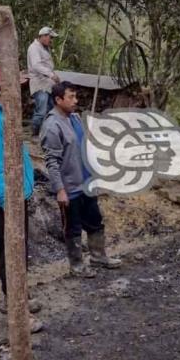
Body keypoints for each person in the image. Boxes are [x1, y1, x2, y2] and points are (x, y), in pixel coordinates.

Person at [0, 67, 44, 332]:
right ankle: (17, 312)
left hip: (15, 197)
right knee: (11, 254)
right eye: (16, 86)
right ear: (2, 88)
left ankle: (17, 298)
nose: (22, 92)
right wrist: (7, 201)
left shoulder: (3, 116)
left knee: (17, 252)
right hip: (6, 201)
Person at [40, 81, 122, 276]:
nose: (75, 101)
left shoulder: (75, 118)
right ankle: (76, 265)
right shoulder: (52, 126)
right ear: (58, 100)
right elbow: (51, 161)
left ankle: (98, 256)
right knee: (73, 228)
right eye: (71, 97)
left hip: (86, 183)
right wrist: (60, 189)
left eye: (76, 97)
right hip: (69, 187)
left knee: (95, 221)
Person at [27, 26, 60, 137]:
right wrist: (51, 75)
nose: (51, 40)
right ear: (44, 36)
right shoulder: (34, 48)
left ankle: (45, 133)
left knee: (50, 109)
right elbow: (36, 65)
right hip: (39, 83)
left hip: (47, 84)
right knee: (41, 111)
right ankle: (35, 134)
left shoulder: (44, 48)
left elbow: (47, 65)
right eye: (50, 37)